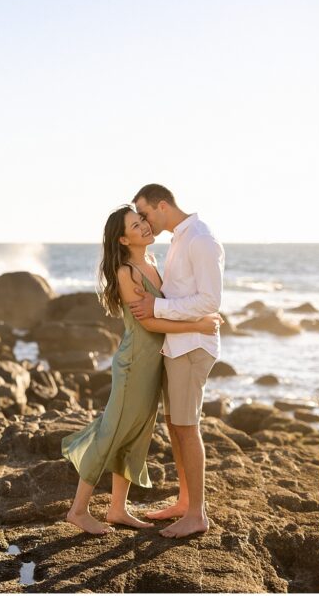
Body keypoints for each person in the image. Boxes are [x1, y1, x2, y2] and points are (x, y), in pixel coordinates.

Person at [62, 205, 221, 536]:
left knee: (134, 435)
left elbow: (166, 308)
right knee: (112, 432)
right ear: (123, 239)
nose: (145, 227)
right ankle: (77, 511)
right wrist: (199, 325)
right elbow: (149, 322)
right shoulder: (127, 273)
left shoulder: (150, 262)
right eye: (136, 225)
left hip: (154, 362)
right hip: (135, 363)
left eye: (142, 221)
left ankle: (117, 509)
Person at [130, 183, 224, 538]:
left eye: (145, 214)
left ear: (163, 206)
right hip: (177, 345)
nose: (144, 222)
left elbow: (210, 300)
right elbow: (185, 294)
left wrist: (157, 307)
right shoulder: (179, 239)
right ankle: (185, 502)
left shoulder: (200, 238)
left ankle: (197, 514)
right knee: (175, 425)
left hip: (192, 347)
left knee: (187, 427)